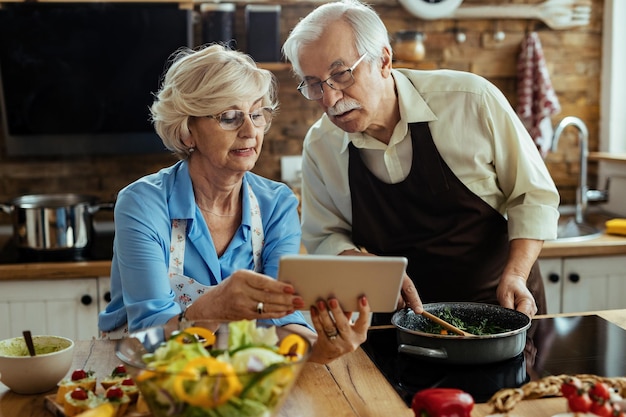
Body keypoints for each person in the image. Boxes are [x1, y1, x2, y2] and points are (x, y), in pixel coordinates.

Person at [282, 0, 560, 322]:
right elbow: (325, 235)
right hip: (398, 324)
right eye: (314, 84)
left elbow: (533, 196)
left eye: (341, 75)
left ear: (383, 60)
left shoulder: (470, 101)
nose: (329, 99)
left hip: (501, 311)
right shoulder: (321, 146)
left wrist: (516, 275)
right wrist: (362, 267)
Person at [98, 44, 371, 364]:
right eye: (230, 117)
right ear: (188, 132)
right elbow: (150, 331)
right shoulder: (143, 204)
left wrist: (319, 347)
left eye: (256, 114)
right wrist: (212, 308)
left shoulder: (277, 205)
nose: (250, 131)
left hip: (239, 370)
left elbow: (280, 322)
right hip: (150, 372)